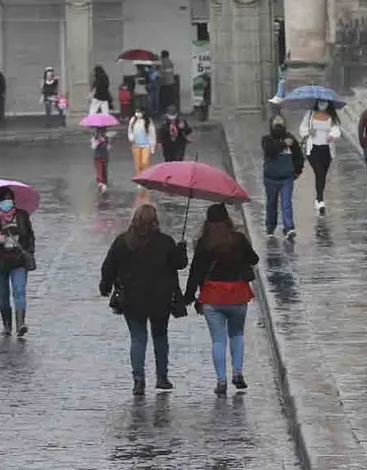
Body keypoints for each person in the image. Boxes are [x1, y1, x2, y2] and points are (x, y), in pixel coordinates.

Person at [99, 203, 189, 395]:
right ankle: (162, 377)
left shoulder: (123, 242)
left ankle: (138, 380)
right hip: (161, 299)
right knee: (160, 336)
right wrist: (181, 249)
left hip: (132, 300)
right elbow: (179, 264)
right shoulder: (165, 242)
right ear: (155, 221)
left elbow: (108, 268)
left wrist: (105, 285)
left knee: (138, 339)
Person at [184, 204, 259, 395]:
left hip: (212, 296)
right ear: (227, 220)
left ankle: (221, 380)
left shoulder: (204, 243)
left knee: (218, 339)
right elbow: (254, 258)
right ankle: (237, 372)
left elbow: (196, 272)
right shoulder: (238, 239)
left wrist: (189, 295)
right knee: (237, 335)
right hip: (237, 295)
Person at [0, 187, 36, 337]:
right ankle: (7, 324)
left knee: (19, 291)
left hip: (18, 261)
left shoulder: (22, 216)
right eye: (4, 201)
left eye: (10, 200)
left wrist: (29, 250)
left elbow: (30, 236)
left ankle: (20, 324)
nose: (7, 203)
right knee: (3, 296)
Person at [261, 115, 303, 239]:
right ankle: (270, 227)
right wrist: (284, 144)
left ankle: (289, 227)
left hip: (287, 178)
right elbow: (271, 150)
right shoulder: (266, 139)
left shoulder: (291, 139)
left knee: (286, 203)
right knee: (271, 203)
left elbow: (298, 156)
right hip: (270, 178)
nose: (279, 125)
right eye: (276, 123)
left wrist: (297, 171)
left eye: (281, 122)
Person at [298, 99, 341, 215]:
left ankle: (318, 197)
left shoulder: (331, 116)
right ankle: (321, 200)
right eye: (321, 102)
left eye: (325, 102)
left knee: (323, 174)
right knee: (319, 172)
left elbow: (336, 129)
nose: (323, 104)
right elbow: (302, 129)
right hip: (313, 149)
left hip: (327, 149)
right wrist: (308, 131)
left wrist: (332, 135)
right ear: (317, 102)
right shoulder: (310, 114)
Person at [91, 126, 111, 192]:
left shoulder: (106, 138)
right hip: (97, 158)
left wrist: (108, 143)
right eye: (100, 132)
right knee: (99, 171)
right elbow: (93, 147)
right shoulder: (94, 138)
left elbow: (108, 148)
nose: (102, 133)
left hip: (104, 157)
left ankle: (104, 183)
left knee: (104, 171)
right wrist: (98, 141)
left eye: (104, 132)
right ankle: (101, 183)